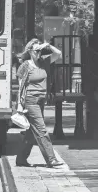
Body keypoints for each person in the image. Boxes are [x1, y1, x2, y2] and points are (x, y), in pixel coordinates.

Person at [15, 38, 64, 168]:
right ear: (30, 51)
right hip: (30, 101)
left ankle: (20, 159)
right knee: (42, 130)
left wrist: (47, 45)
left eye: (40, 50)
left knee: (32, 132)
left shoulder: (44, 62)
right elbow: (21, 87)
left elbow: (58, 53)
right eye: (36, 50)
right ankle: (51, 159)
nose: (38, 53)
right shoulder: (25, 65)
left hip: (41, 100)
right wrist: (20, 104)